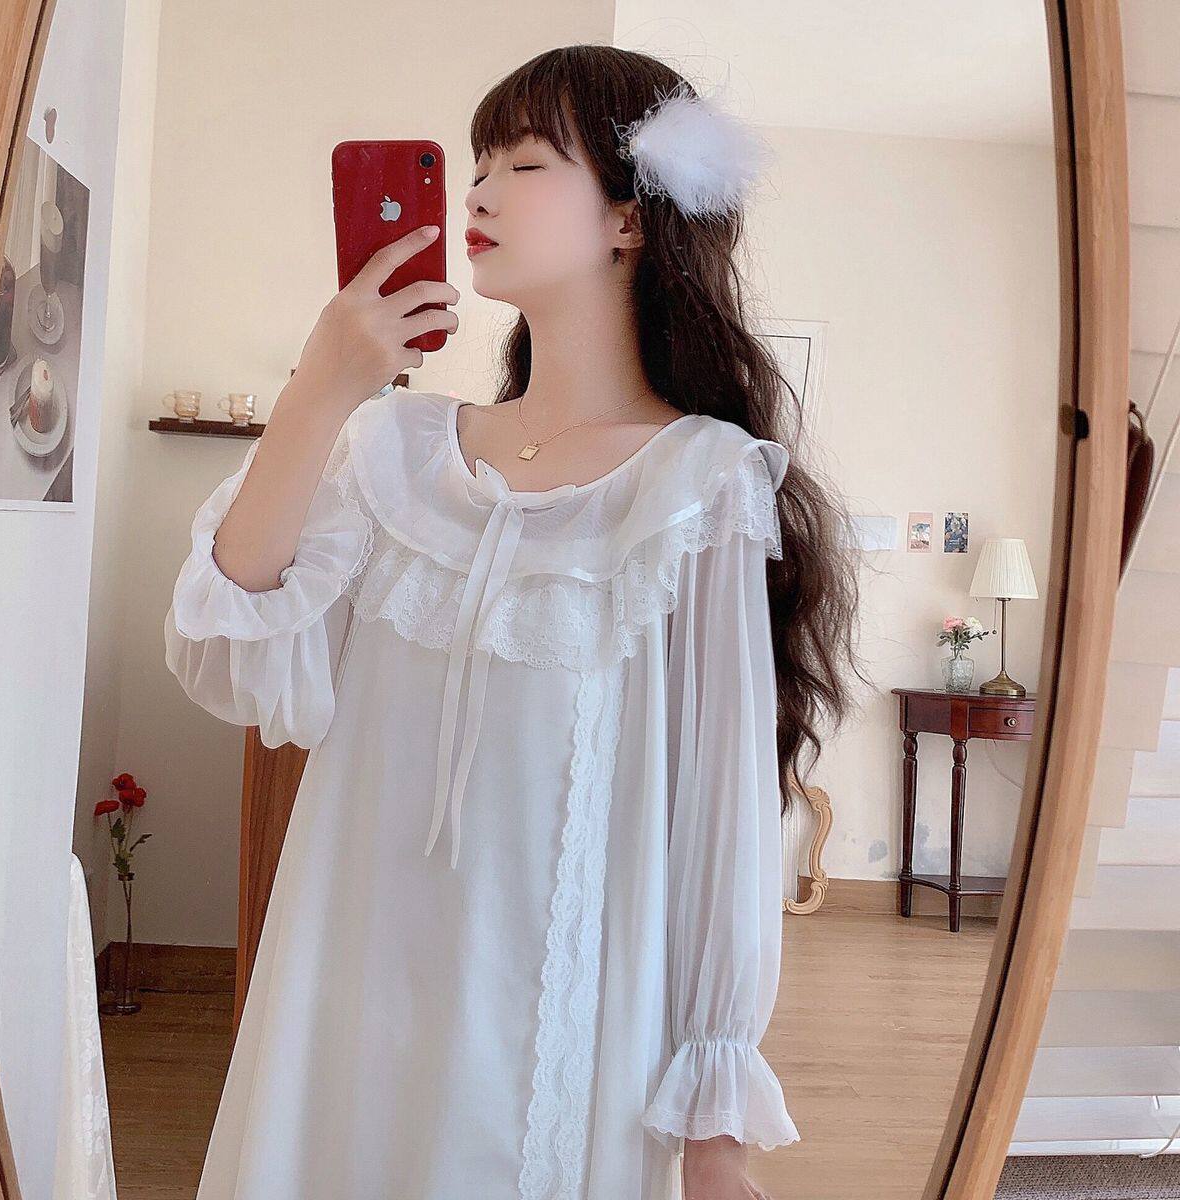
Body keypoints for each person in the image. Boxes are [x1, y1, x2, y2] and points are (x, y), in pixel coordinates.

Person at [164, 43, 863, 1200]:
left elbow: (723, 808)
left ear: (630, 218)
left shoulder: (697, 484)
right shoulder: (393, 451)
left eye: (524, 163)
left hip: (567, 1028)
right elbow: (229, 654)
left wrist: (715, 1128)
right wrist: (324, 384)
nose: (478, 190)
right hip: (350, 994)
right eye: (476, 162)